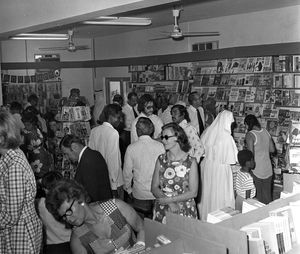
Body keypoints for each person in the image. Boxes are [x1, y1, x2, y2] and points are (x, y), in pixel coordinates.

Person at [45, 179, 145, 254]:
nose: (68, 219)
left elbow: (142, 228)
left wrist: (139, 246)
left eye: (68, 211)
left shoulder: (115, 209)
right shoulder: (78, 239)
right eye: (64, 217)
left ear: (80, 199)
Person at [0, 111, 42, 253]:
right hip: (16, 234)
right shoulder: (11, 155)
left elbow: (10, 216)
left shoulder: (14, 165)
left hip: (20, 236)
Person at [151, 122, 198, 224]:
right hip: (163, 208)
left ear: (177, 137)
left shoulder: (191, 162)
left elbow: (193, 192)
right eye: (162, 137)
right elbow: (154, 187)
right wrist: (169, 202)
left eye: (166, 137)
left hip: (184, 210)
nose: (163, 140)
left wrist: (170, 200)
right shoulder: (161, 159)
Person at [199, 110, 238, 221]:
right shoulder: (226, 137)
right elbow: (232, 158)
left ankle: (205, 216)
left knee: (208, 193)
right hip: (220, 169)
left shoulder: (208, 131)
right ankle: (219, 218)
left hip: (207, 166)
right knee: (220, 193)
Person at [123, 117, 165, 218]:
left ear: (138, 131)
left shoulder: (131, 148)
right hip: (158, 193)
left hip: (140, 193)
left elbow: (127, 173)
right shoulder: (160, 146)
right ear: (151, 130)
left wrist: (128, 189)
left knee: (142, 225)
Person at [60, 134, 112, 202]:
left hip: (99, 207)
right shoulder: (91, 154)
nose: (66, 157)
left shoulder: (87, 160)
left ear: (74, 147)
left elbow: (91, 194)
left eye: (66, 153)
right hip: (103, 204)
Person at [88, 104, 124, 198]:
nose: (121, 120)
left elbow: (91, 156)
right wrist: (114, 187)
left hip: (99, 179)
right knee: (117, 211)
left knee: (104, 209)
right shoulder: (113, 133)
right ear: (110, 117)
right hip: (113, 181)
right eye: (119, 117)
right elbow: (113, 161)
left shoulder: (94, 131)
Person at [37, 171, 72, 254]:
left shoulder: (40, 204)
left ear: (45, 189)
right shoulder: (69, 202)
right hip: (70, 241)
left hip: (52, 246)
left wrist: (39, 182)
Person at [244, 114, 275, 204]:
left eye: (245, 125)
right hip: (268, 169)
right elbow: (272, 150)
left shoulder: (250, 135)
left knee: (258, 199)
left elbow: (250, 155)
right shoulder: (265, 131)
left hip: (257, 170)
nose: (245, 127)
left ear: (247, 124)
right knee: (267, 197)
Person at [22, 110, 53, 181]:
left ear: (33, 123)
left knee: (39, 174)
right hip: (36, 155)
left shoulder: (32, 131)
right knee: (38, 174)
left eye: (28, 125)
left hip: (38, 156)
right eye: (25, 124)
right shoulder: (30, 130)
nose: (26, 126)